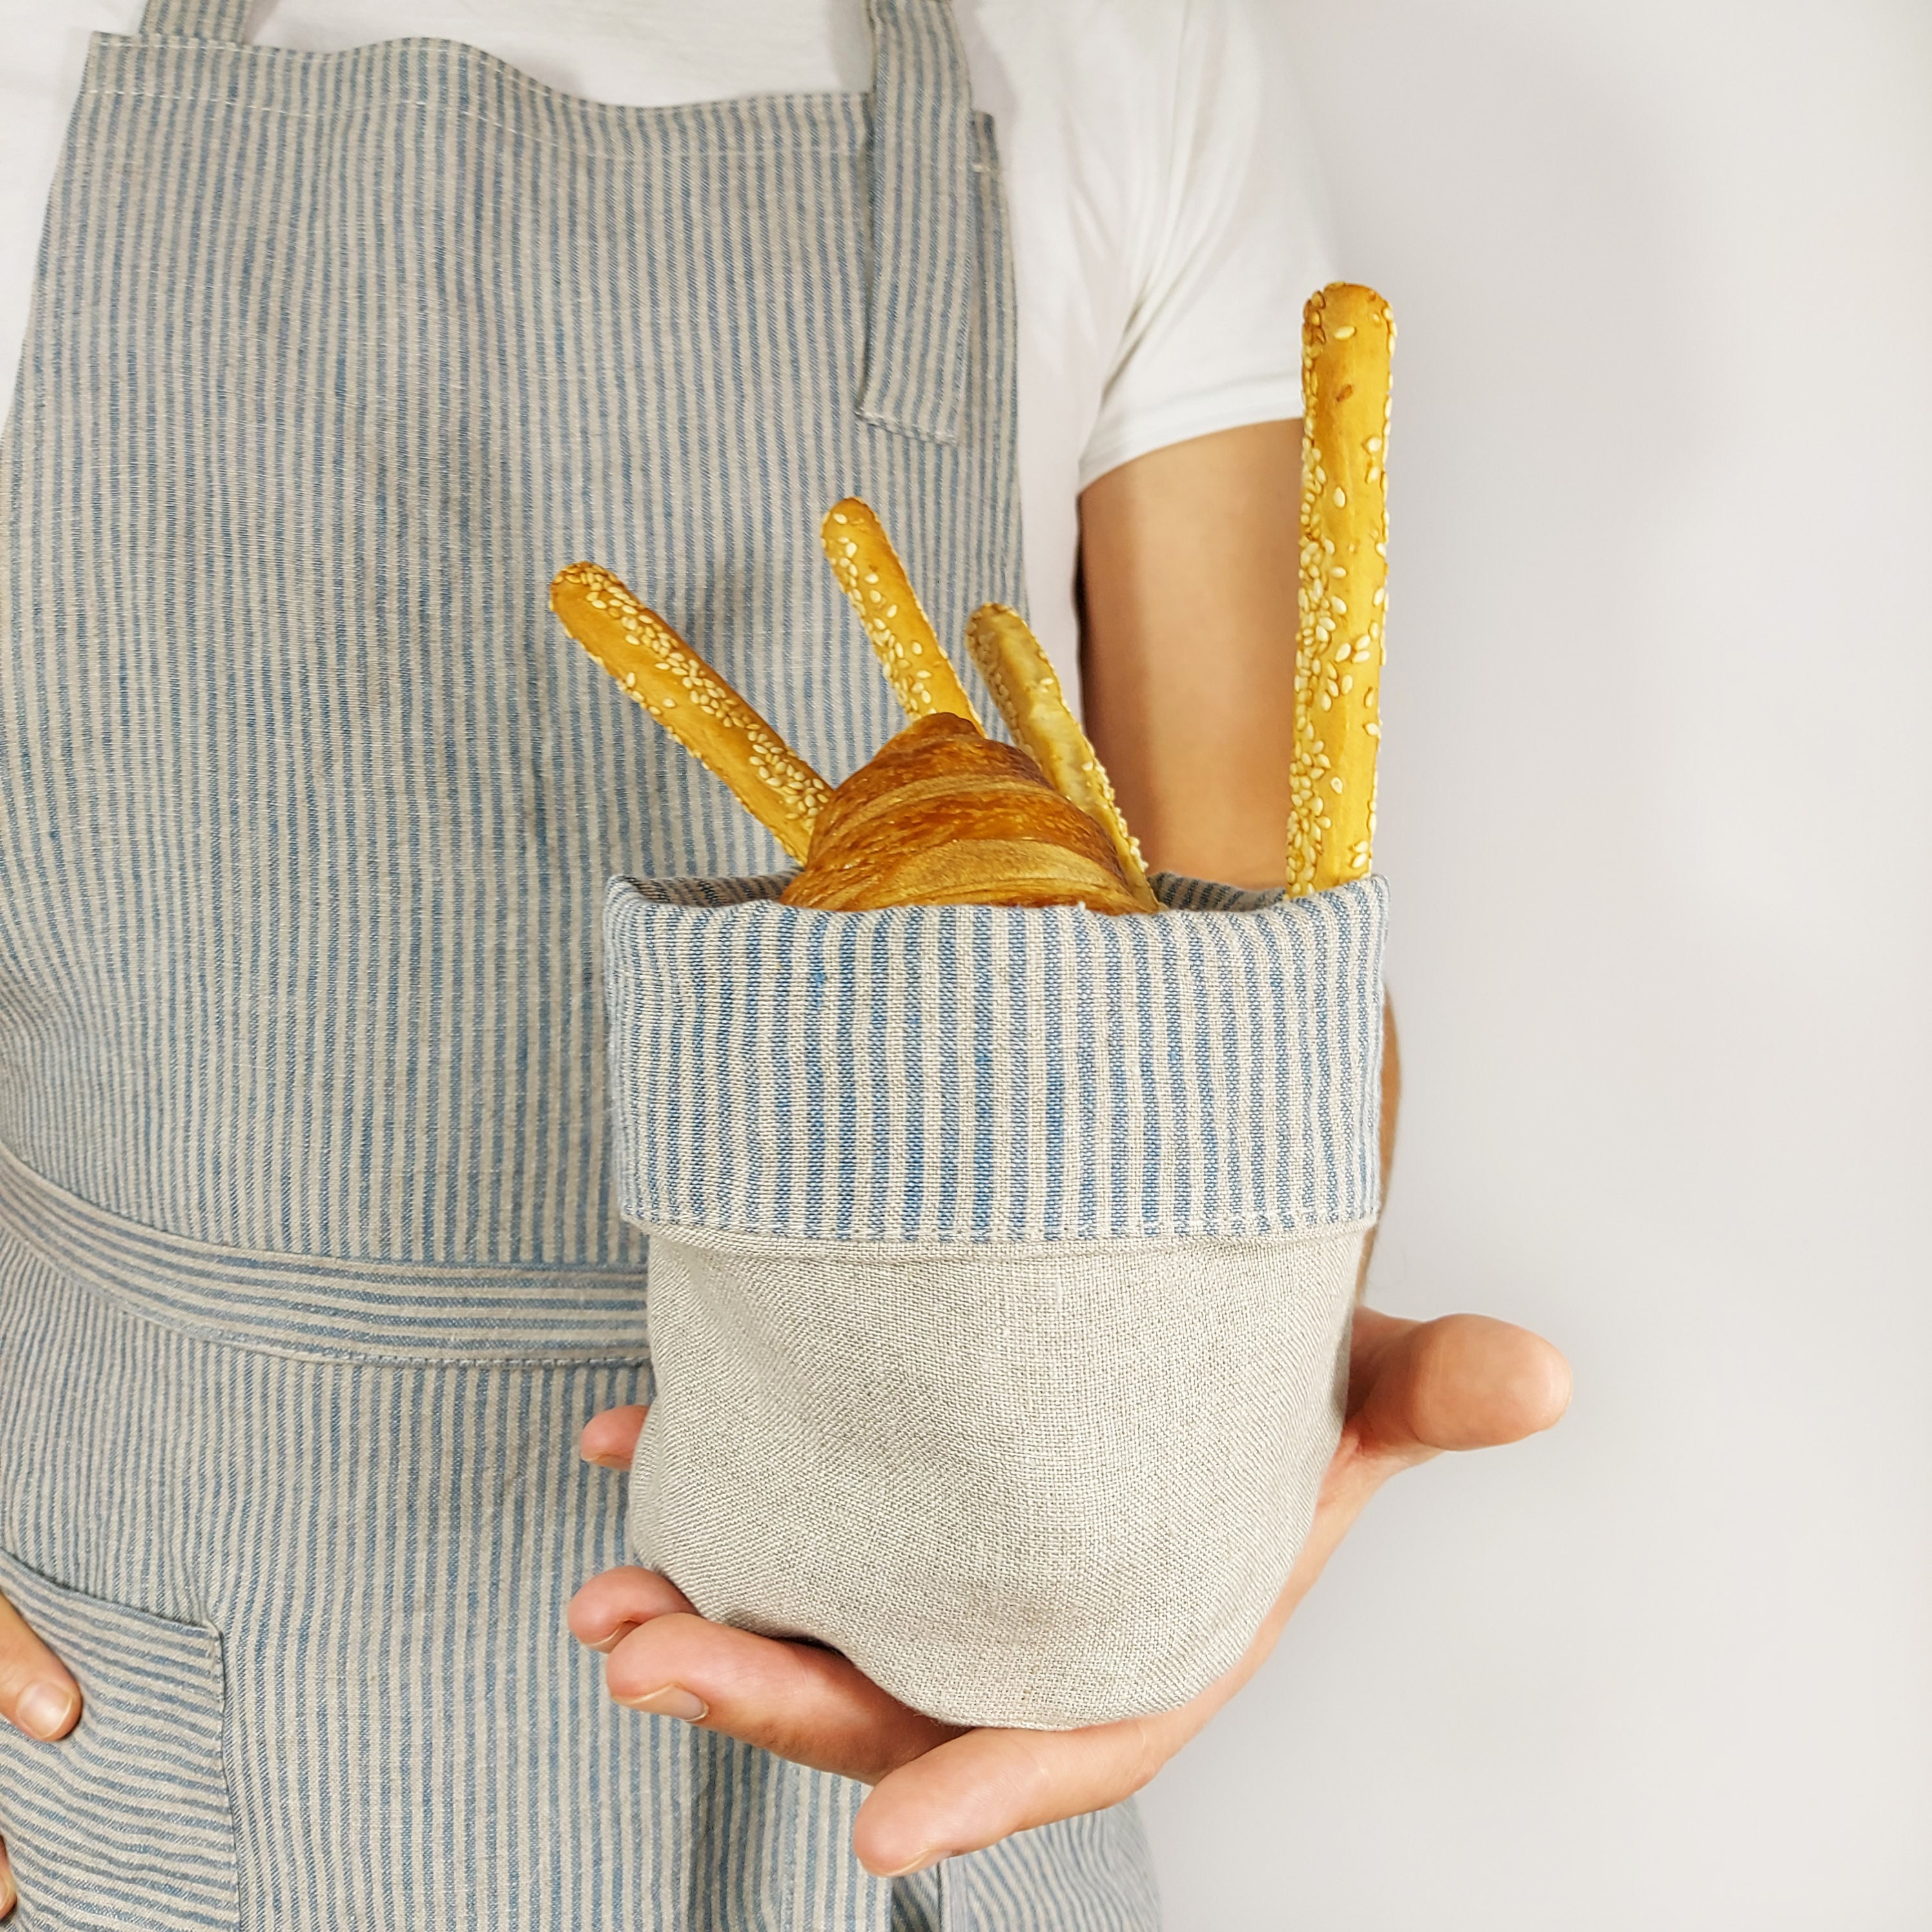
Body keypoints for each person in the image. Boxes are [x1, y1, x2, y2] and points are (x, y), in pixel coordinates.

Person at [0, 1, 1568, 1925]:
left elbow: (1238, 982)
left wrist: (1209, 1469)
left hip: (948, 1632)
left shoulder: (1114, 46)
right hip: (186, 1672)